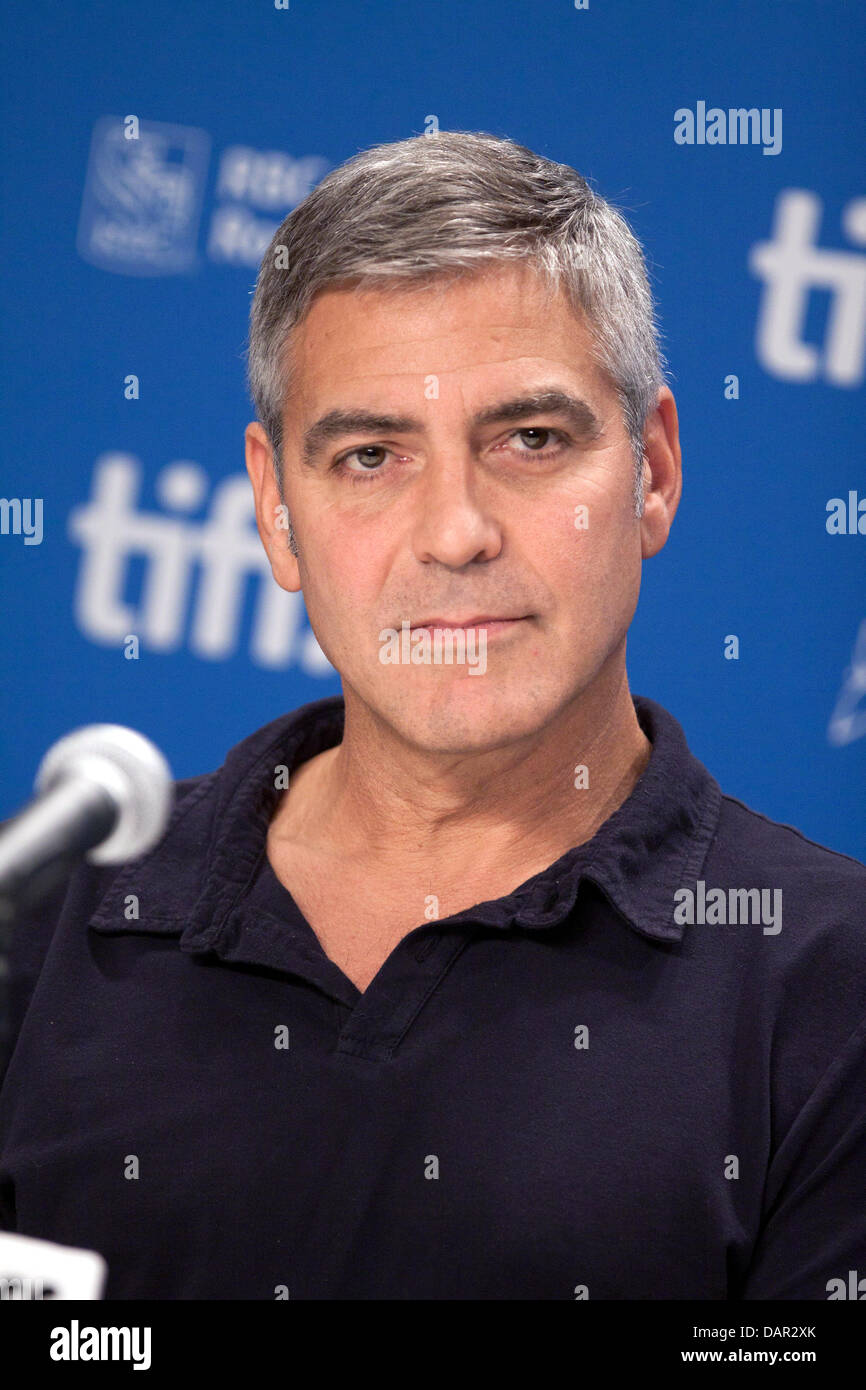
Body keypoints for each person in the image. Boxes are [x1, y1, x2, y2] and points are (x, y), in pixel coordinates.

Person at [2, 131, 865, 1300]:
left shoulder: (833, 983)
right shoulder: (48, 917)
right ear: (273, 509)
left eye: (530, 439)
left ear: (650, 472)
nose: (455, 531)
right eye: (368, 456)